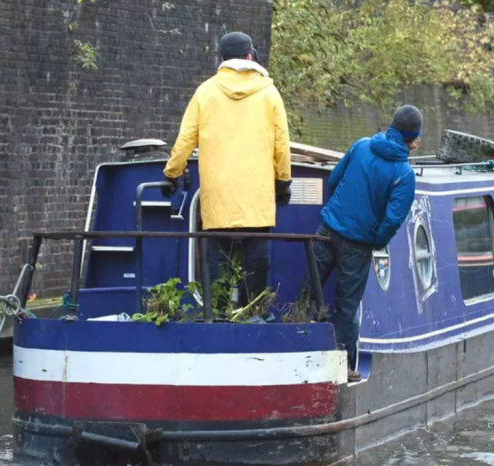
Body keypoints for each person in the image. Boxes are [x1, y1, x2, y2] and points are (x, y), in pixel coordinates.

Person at [162, 31, 292, 308]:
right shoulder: (269, 94)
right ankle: (252, 314)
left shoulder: (205, 92)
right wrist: (283, 182)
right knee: (256, 262)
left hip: (218, 197)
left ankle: (218, 317)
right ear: (250, 56)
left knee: (217, 260)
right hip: (257, 198)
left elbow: (185, 139)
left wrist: (172, 173)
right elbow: (281, 145)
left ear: (222, 59)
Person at [306, 105, 421, 382]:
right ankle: (340, 368)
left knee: (310, 291)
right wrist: (375, 240)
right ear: (413, 138)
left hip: (327, 229)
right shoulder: (404, 174)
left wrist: (337, 212)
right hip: (357, 245)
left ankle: (298, 350)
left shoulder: (361, 146)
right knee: (347, 307)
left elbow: (334, 180)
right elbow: (393, 219)